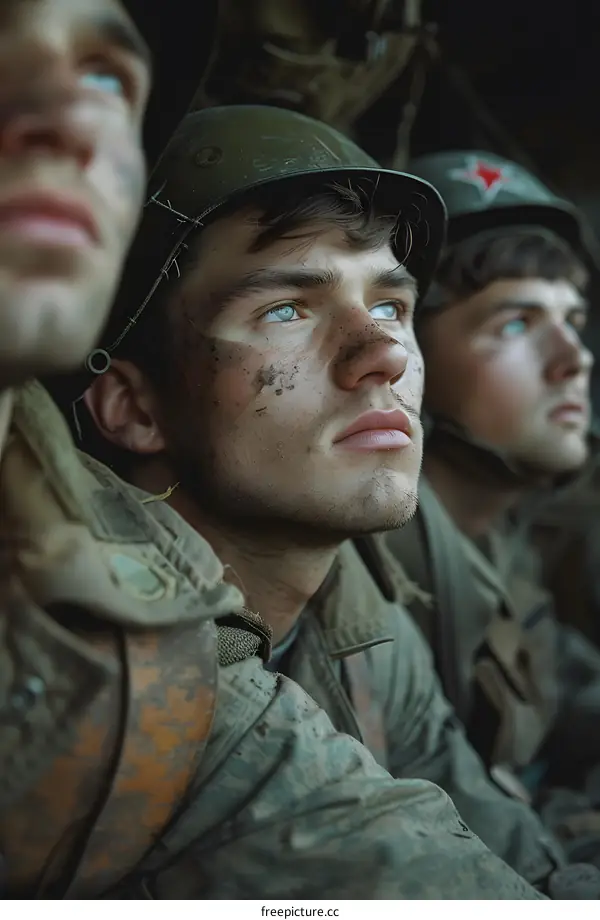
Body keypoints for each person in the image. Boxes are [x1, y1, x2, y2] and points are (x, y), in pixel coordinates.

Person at [0, 20, 544, 891]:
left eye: (394, 307)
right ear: (134, 407)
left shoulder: (355, 607)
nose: (387, 355)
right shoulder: (119, 649)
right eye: (288, 309)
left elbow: (521, 861)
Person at [382, 149, 600, 868]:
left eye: (573, 319)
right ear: (407, 356)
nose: (575, 358)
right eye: (515, 323)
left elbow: (572, 691)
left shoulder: (499, 539)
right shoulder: (376, 569)